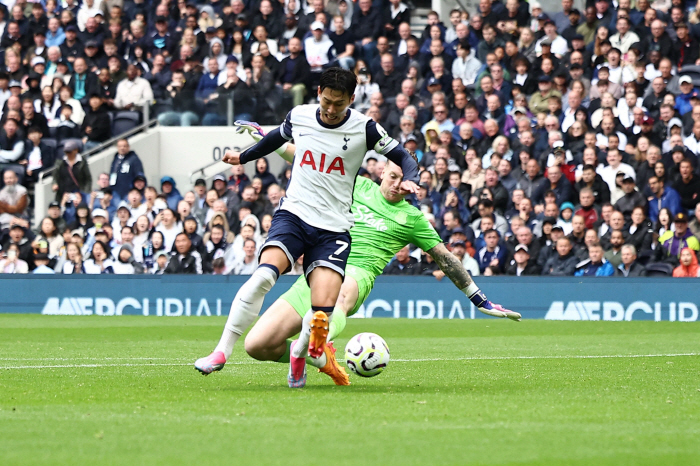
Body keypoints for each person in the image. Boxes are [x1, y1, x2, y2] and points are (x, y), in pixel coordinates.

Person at [195, 69, 421, 388]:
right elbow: (277, 137)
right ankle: (220, 352)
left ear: (351, 100)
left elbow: (401, 156)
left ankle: (300, 353)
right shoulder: (299, 116)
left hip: (333, 229)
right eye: (326, 101)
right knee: (262, 276)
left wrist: (414, 178)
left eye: (338, 104)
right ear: (318, 92)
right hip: (295, 215)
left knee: (319, 315)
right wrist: (243, 157)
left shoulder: (365, 128)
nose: (330, 109)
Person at [241, 133, 519, 385]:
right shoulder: (357, 185)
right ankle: (322, 358)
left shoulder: (412, 218)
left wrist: (478, 299)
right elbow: (310, 160)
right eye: (393, 176)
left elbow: (446, 259)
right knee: (257, 345)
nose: (397, 185)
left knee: (339, 295)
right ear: (382, 170)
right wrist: (270, 140)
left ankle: (311, 341)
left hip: (357, 274)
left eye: (404, 180)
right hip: (318, 269)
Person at [108, 138, 144, 203]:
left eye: (124, 146)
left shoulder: (134, 159)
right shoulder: (115, 159)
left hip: (128, 192)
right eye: (120, 146)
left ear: (128, 147)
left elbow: (139, 175)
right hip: (115, 191)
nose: (122, 148)